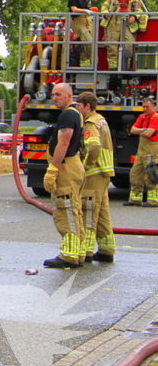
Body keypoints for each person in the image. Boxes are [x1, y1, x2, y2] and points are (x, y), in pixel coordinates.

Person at [43, 83, 85, 268]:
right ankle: (78, 252)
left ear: (69, 96)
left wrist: (53, 169)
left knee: (65, 210)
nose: (54, 98)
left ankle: (69, 255)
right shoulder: (76, 113)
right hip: (73, 165)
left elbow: (63, 144)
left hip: (66, 168)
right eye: (53, 94)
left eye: (59, 94)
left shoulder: (68, 115)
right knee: (74, 210)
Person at [76, 92, 115, 263]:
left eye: (79, 105)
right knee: (102, 213)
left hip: (94, 173)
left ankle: (86, 251)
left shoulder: (91, 123)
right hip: (104, 172)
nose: (77, 109)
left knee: (88, 211)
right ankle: (107, 249)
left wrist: (85, 166)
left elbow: (94, 147)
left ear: (87, 106)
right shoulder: (101, 120)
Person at [100, 0, 148, 71]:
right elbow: (104, 6)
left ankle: (126, 66)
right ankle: (113, 67)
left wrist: (134, 16)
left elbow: (139, 10)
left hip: (127, 25)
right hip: (112, 24)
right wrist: (105, 13)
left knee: (128, 44)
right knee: (111, 45)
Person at [125, 97, 158, 207]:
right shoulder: (142, 117)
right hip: (141, 151)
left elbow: (149, 134)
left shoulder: (156, 118)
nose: (145, 109)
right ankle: (135, 199)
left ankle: (153, 200)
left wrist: (140, 131)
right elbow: (132, 130)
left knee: (151, 175)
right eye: (143, 107)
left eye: (147, 107)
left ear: (153, 106)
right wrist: (144, 130)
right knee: (135, 174)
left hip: (152, 151)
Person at [67, 0, 95, 68]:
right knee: (89, 42)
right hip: (78, 22)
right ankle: (93, 63)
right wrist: (85, 10)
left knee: (89, 43)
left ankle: (88, 65)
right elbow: (74, 9)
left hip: (88, 22)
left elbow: (90, 7)